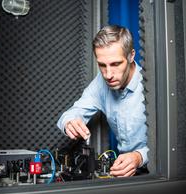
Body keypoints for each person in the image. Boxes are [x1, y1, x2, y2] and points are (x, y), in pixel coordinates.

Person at [57, 25, 148, 177]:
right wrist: (70, 122)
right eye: (102, 65)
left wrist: (139, 157)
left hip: (159, 172)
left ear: (131, 56)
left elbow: (174, 142)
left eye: (116, 64)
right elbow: (71, 114)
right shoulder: (102, 82)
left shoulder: (151, 83)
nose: (108, 74)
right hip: (123, 173)